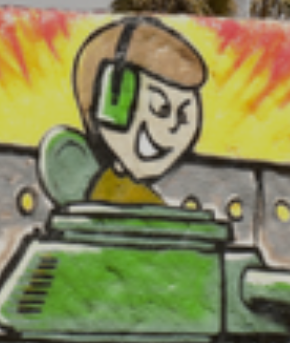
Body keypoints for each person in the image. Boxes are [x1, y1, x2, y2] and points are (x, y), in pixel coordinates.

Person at [69, 16, 208, 205]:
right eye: (161, 109)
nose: (173, 125)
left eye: (184, 116)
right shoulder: (113, 192)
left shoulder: (141, 195)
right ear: (110, 105)